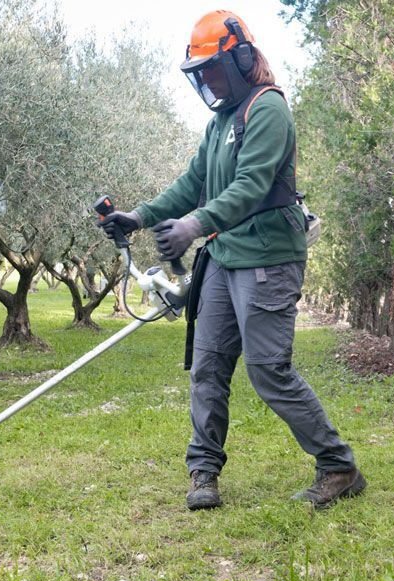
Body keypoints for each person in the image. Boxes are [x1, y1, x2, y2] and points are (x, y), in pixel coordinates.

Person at [101, 10, 365, 510]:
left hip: (267, 257)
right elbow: (191, 184)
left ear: (242, 58)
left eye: (212, 68)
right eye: (199, 72)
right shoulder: (220, 120)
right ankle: (203, 472)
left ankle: (338, 466)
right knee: (208, 365)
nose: (206, 80)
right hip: (223, 258)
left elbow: (250, 188)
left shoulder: (266, 110)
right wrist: (139, 217)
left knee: (268, 370)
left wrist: (194, 226)